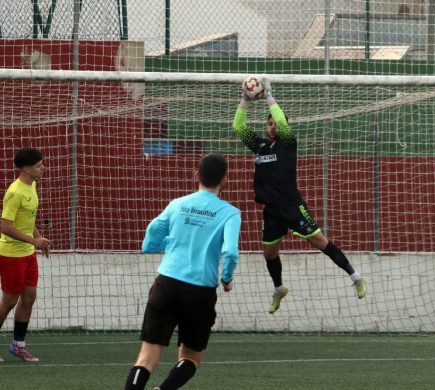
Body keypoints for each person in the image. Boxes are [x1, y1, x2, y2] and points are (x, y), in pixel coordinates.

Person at [232, 78, 366, 315]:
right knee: (269, 252)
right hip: (271, 210)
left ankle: (355, 276)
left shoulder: (288, 142)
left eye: (276, 123)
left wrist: (270, 96)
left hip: (292, 205)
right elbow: (238, 127)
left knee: (319, 242)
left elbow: (282, 121)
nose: (273, 126)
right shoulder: (260, 146)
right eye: (269, 123)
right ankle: (278, 289)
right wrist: (245, 99)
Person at [124, 153, 241, 390]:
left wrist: (162, 245)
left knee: (146, 357)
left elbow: (152, 233)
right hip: (199, 292)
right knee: (190, 358)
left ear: (196, 175)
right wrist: (227, 279)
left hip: (166, 284)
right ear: (224, 179)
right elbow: (230, 252)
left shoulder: (178, 203)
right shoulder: (230, 212)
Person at [0, 147, 51, 363]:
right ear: (26, 168)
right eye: (39, 166)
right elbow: (5, 226)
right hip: (11, 254)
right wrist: (34, 241)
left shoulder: (33, 186)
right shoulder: (15, 192)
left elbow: (29, 219)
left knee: (29, 297)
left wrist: (38, 241)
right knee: (10, 300)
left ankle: (18, 345)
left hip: (28, 253)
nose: (43, 168)